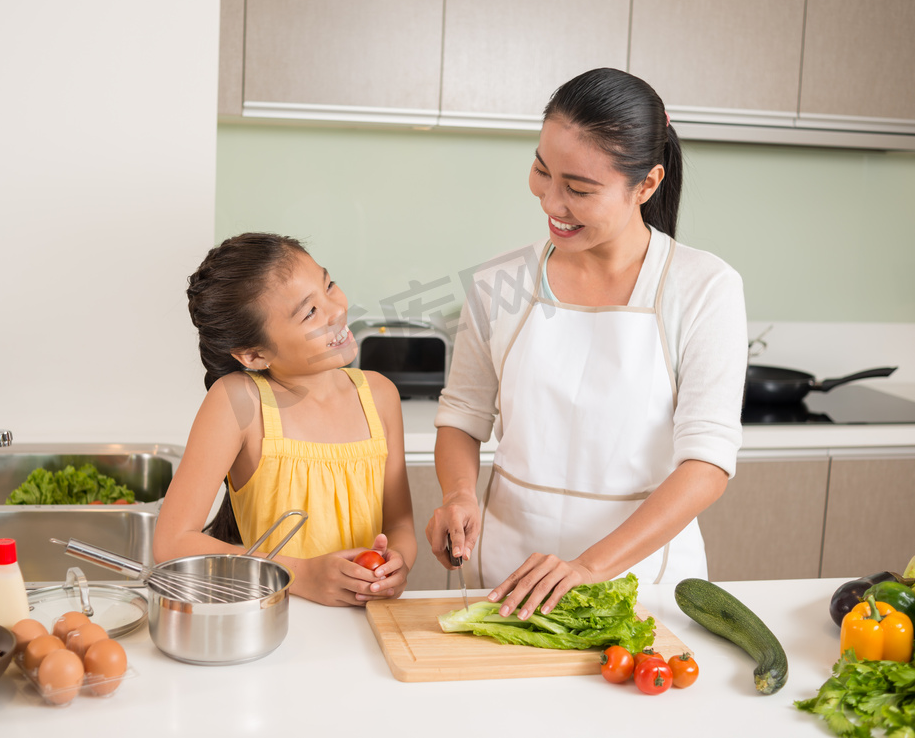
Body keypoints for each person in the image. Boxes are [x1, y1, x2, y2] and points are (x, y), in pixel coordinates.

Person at [426, 68, 747, 621]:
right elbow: (462, 415)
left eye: (578, 188)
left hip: (643, 584)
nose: (551, 201)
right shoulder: (499, 283)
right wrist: (458, 493)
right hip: (510, 579)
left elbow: (706, 465)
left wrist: (589, 568)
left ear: (646, 185)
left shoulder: (703, 288)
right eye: (541, 171)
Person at [153, 232, 417, 606]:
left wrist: (397, 563)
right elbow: (171, 542)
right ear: (255, 355)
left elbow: (400, 525)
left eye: (329, 285)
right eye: (309, 312)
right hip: (273, 626)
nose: (336, 310)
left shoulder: (380, 395)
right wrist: (300, 574)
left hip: (368, 626)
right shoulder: (237, 402)